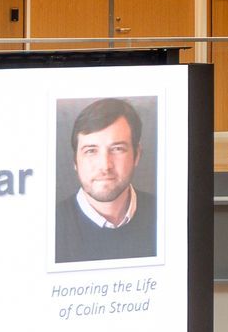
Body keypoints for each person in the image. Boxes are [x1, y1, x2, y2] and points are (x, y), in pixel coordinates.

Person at [54, 98, 157, 263]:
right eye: (91, 151)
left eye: (117, 149)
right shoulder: (48, 225)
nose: (105, 165)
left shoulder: (168, 214)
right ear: (75, 161)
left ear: (137, 155)